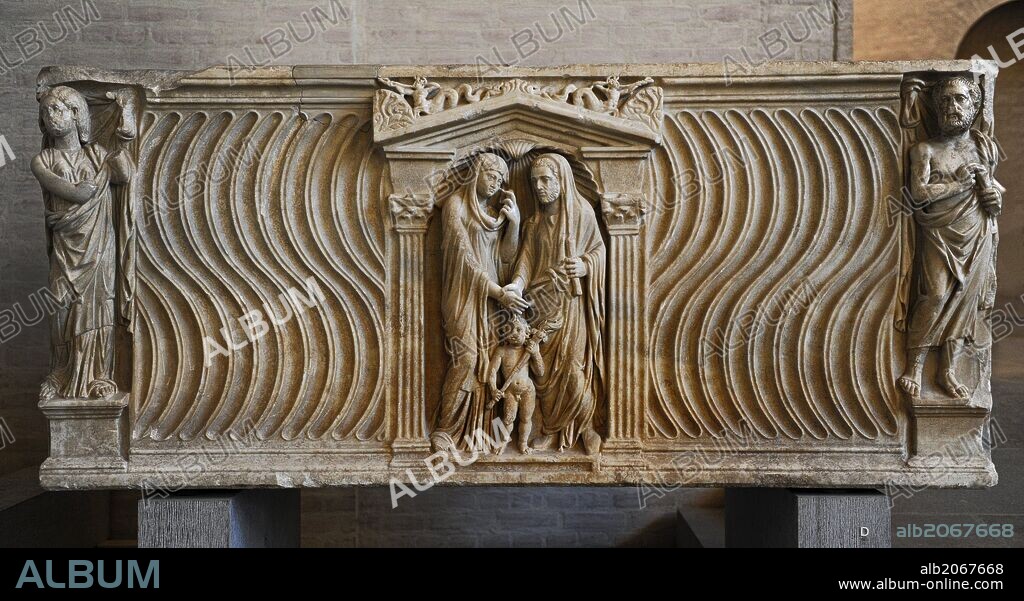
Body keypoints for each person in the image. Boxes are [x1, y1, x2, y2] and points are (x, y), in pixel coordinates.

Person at [898, 75, 1002, 399]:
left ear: (973, 106)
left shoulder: (983, 148)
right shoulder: (924, 150)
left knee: (964, 299)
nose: (953, 107)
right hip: (939, 232)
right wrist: (959, 183)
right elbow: (917, 194)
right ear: (936, 107)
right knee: (935, 295)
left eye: (960, 100)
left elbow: (993, 197)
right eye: (945, 101)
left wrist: (993, 199)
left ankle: (947, 370)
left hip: (976, 230)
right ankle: (914, 366)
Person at [33, 86, 133, 400]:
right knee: (61, 309)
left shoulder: (97, 154)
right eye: (46, 110)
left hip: (99, 245)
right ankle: (61, 375)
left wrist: (125, 127)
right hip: (65, 249)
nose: (51, 116)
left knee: (99, 307)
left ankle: (99, 376)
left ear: (77, 114)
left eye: (58, 109)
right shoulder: (43, 159)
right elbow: (75, 192)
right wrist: (87, 186)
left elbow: (125, 173)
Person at [507, 153, 605, 454]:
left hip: (570, 307)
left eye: (546, 179)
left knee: (573, 370)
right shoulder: (534, 223)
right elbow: (525, 261)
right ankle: (551, 429)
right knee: (543, 374)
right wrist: (517, 285)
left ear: (562, 181)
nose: (539, 186)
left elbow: (599, 250)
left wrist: (586, 265)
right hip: (540, 303)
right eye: (534, 181)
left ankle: (586, 427)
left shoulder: (582, 214)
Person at [431, 153, 529, 453]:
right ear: (476, 174)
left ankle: (477, 432)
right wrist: (497, 292)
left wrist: (513, 225)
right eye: (492, 176)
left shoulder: (491, 214)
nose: (496, 183)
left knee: (487, 366)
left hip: (489, 299)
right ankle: (445, 429)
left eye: (500, 180)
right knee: (468, 359)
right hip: (463, 295)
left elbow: (505, 259)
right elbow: (465, 259)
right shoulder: (455, 207)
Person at [487, 313, 545, 455]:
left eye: (518, 330)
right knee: (508, 419)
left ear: (526, 333)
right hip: (510, 392)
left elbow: (540, 372)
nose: (513, 333)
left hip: (528, 390)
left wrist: (536, 354)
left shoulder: (528, 351)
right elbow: (492, 371)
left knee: (526, 418)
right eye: (509, 329)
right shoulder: (502, 351)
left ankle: (523, 444)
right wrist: (494, 389)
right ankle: (503, 442)